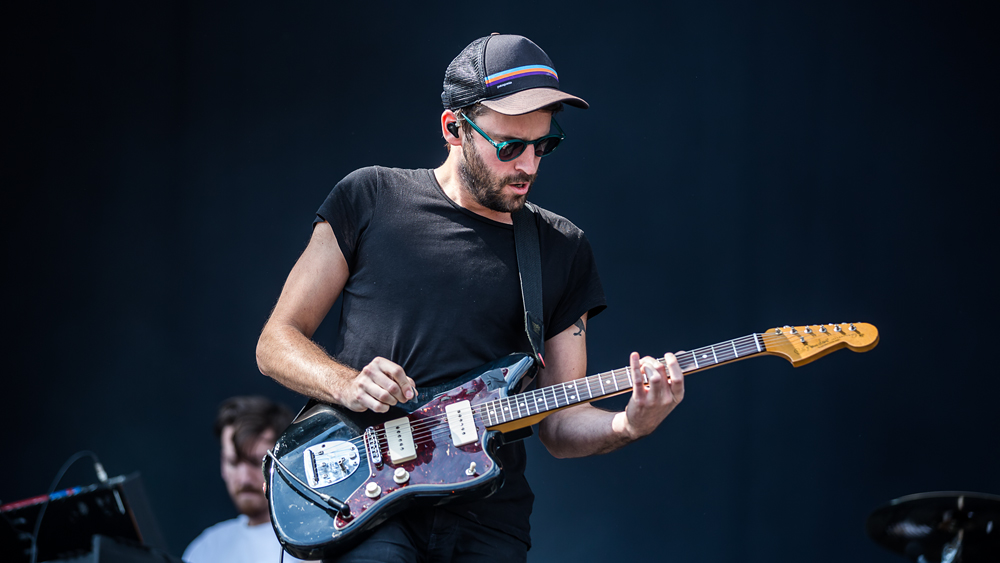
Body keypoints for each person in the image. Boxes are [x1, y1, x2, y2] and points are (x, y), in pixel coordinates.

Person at [255, 34, 686, 562]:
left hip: (489, 521)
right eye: (509, 147)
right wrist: (347, 383)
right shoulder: (369, 197)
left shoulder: (562, 249)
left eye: (543, 145)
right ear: (453, 128)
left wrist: (629, 424)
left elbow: (559, 422)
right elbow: (275, 342)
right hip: (366, 502)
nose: (528, 164)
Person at [183, 396, 307, 563]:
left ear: (287, 462)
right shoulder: (205, 549)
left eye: (257, 462)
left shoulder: (318, 540)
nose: (244, 479)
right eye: (233, 462)